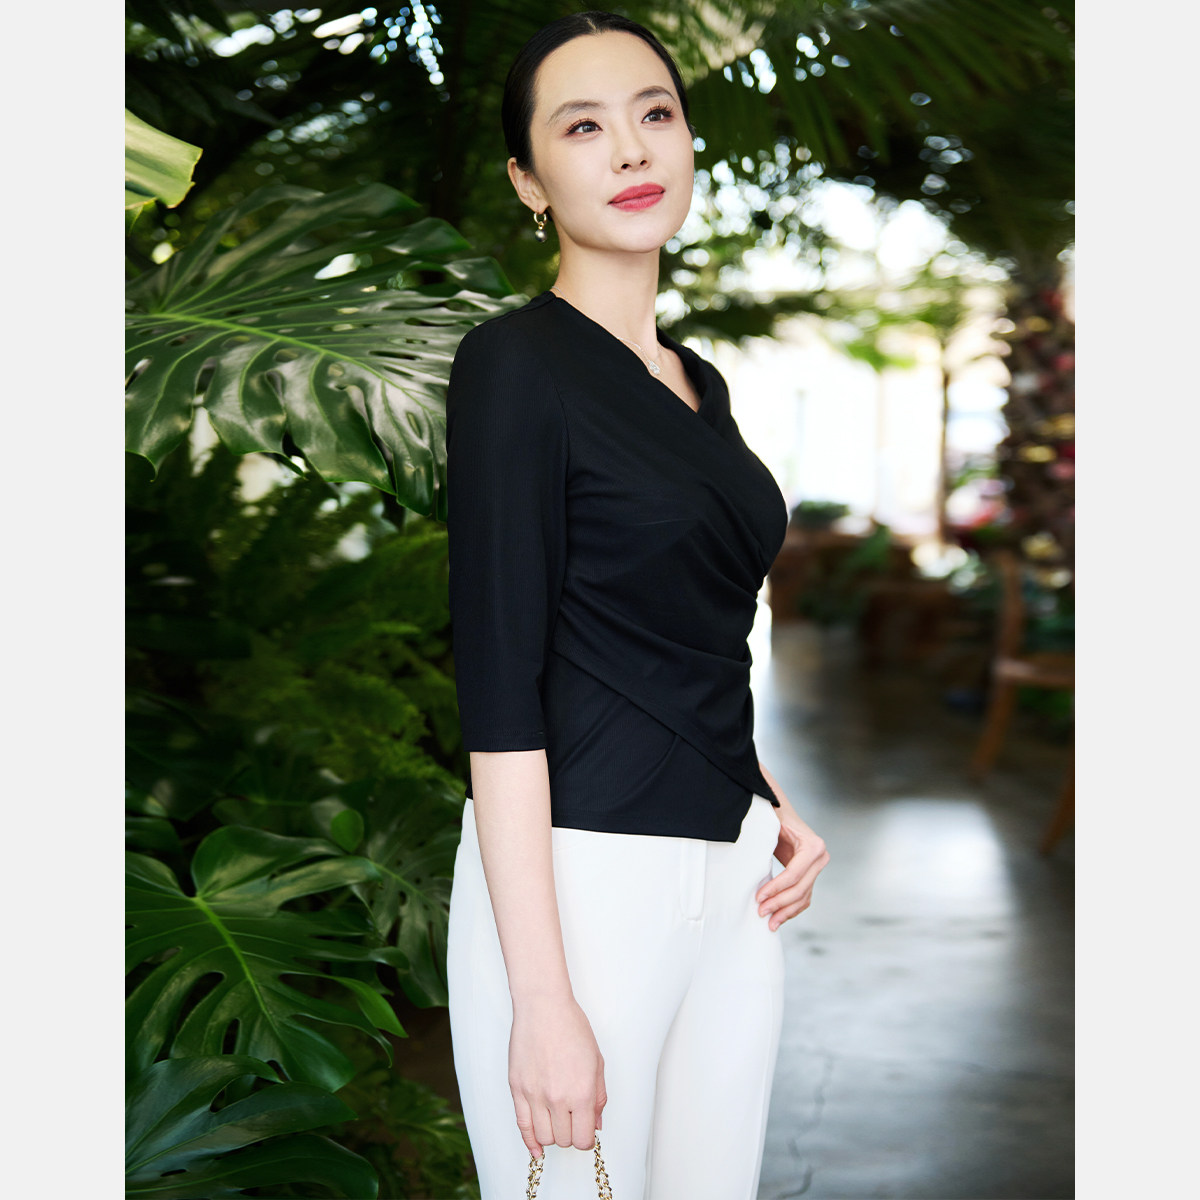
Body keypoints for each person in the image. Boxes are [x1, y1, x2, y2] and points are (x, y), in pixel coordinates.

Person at [443, 11, 830, 1198]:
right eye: (582, 127)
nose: (630, 149)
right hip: (582, 880)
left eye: (654, 113)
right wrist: (542, 999)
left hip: (734, 875)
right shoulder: (514, 365)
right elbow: (501, 689)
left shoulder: (697, 382)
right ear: (529, 181)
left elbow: (680, 637)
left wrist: (770, 799)